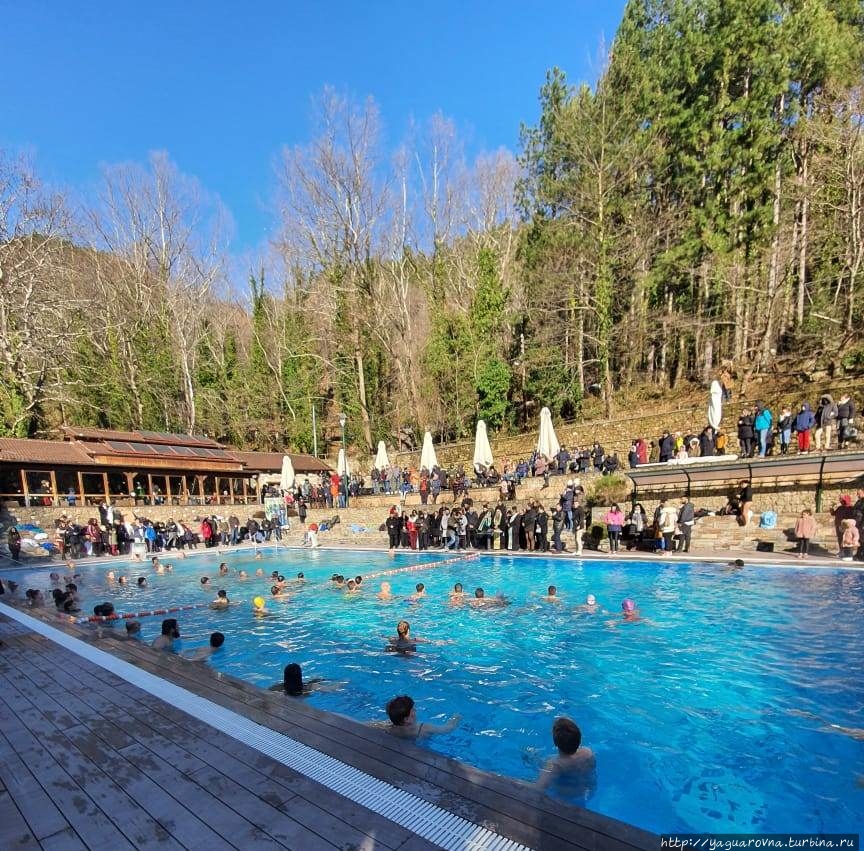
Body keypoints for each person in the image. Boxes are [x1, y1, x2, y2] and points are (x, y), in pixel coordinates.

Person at [536, 717, 596, 792]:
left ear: (555, 742)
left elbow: (538, 788)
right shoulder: (588, 752)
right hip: (586, 792)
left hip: (564, 800)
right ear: (579, 739)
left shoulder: (555, 765)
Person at [384, 695, 460, 740]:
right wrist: (456, 717)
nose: (415, 710)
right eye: (412, 710)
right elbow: (447, 729)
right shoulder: (424, 728)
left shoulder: (388, 726)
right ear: (407, 719)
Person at [268, 662, 335, 696]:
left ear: (285, 676)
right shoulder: (309, 688)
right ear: (300, 676)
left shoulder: (276, 688)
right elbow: (332, 690)